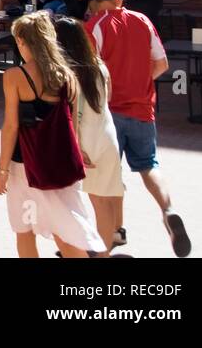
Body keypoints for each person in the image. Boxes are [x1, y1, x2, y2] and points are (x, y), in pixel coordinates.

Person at [86, 0, 191, 257]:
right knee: (149, 165)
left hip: (110, 113)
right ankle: (168, 210)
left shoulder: (94, 26)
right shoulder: (143, 20)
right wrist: (143, 82)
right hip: (143, 107)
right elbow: (162, 63)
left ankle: (113, 235)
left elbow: (90, 73)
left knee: (110, 176)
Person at [0, 12, 106, 258]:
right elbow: (72, 123)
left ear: (24, 41)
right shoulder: (68, 76)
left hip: (25, 167)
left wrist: (2, 170)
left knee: (24, 231)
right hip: (60, 165)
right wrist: (79, 151)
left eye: (18, 41)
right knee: (64, 233)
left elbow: (11, 126)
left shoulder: (15, 77)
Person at [54, 15, 125, 252]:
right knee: (102, 202)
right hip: (106, 136)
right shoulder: (99, 65)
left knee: (69, 204)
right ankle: (102, 254)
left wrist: (77, 146)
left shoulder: (65, 72)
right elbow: (109, 98)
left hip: (83, 141)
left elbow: (69, 113)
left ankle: (76, 251)